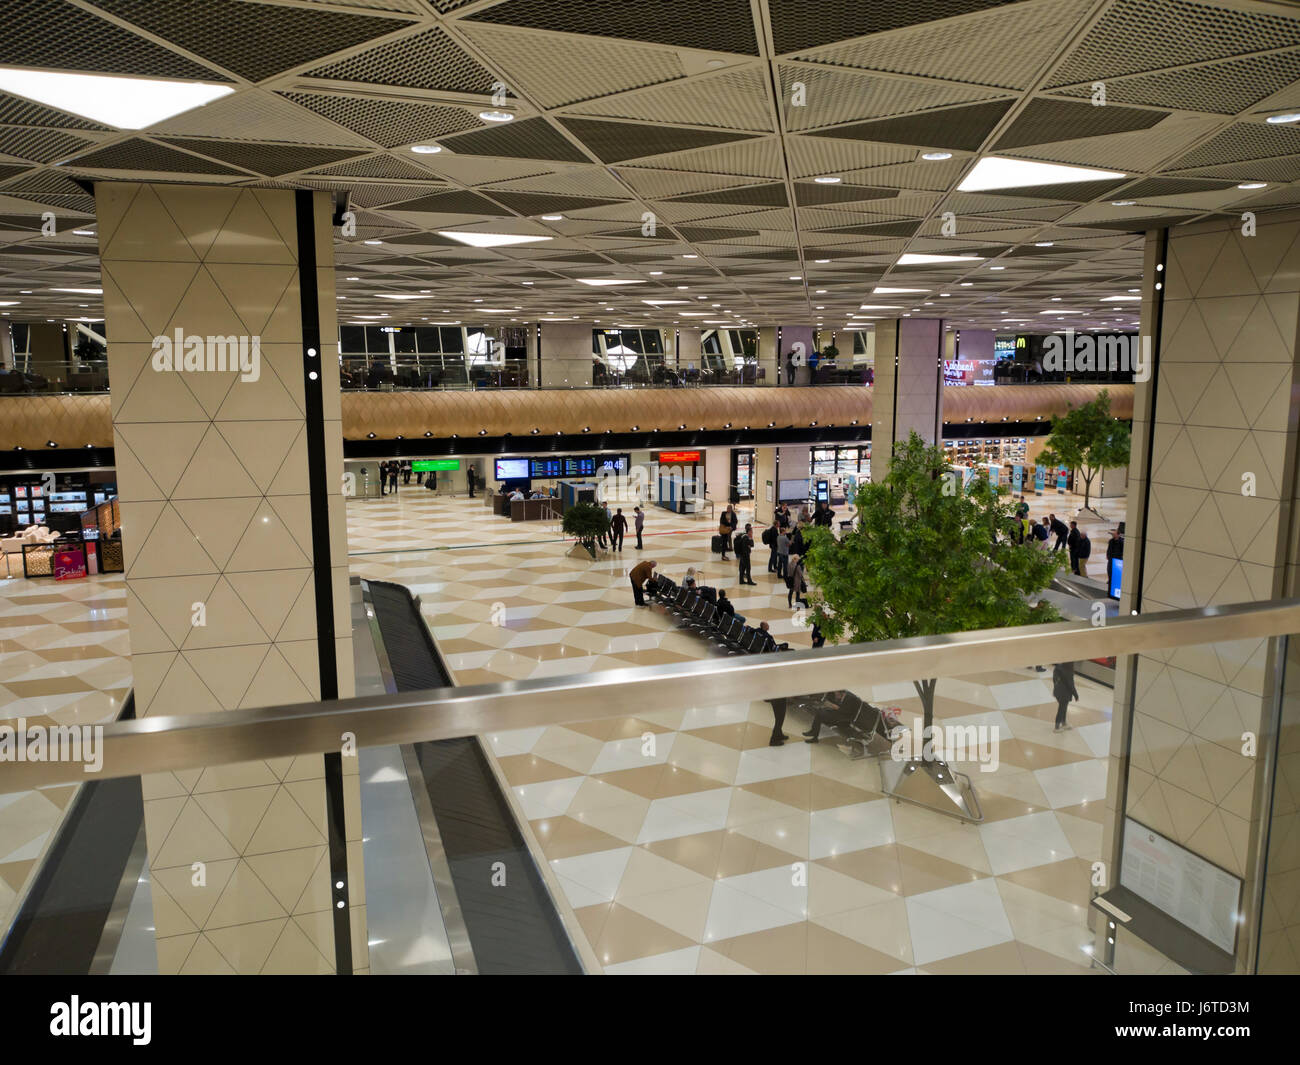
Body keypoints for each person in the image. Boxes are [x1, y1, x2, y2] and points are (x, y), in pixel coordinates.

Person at [1052, 660, 1078, 732]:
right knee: (1062, 709)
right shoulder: (1068, 671)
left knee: (1063, 707)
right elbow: (1071, 685)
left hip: (1057, 691)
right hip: (1065, 693)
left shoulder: (1058, 668)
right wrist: (1076, 695)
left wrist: (1056, 687)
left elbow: (1054, 679)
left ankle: (1063, 723)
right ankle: (1057, 727)